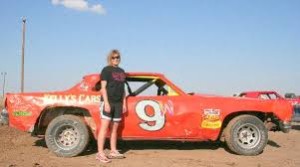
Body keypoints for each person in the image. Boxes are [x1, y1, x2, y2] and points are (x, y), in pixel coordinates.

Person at [96, 49, 127, 163]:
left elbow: (123, 89)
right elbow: (103, 88)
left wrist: (124, 103)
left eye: (117, 57)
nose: (116, 59)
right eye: (113, 57)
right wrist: (106, 103)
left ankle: (113, 150)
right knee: (104, 128)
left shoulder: (122, 71)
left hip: (118, 103)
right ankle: (100, 153)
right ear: (110, 58)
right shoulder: (106, 70)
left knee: (114, 129)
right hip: (108, 103)